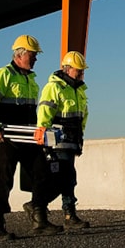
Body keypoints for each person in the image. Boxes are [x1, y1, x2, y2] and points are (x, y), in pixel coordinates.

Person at [0, 34, 61, 238]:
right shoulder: (3, 75)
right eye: (33, 55)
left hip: (27, 137)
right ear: (20, 54)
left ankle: (39, 219)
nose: (35, 59)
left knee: (42, 174)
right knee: (3, 180)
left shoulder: (30, 79)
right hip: (7, 138)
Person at [37, 50, 90, 229]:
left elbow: (82, 118)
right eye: (78, 70)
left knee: (68, 178)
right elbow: (44, 115)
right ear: (67, 69)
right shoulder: (54, 88)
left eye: (82, 70)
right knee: (62, 179)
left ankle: (66, 213)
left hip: (71, 142)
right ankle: (40, 207)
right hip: (58, 143)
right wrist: (44, 141)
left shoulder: (78, 90)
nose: (81, 73)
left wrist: (79, 140)